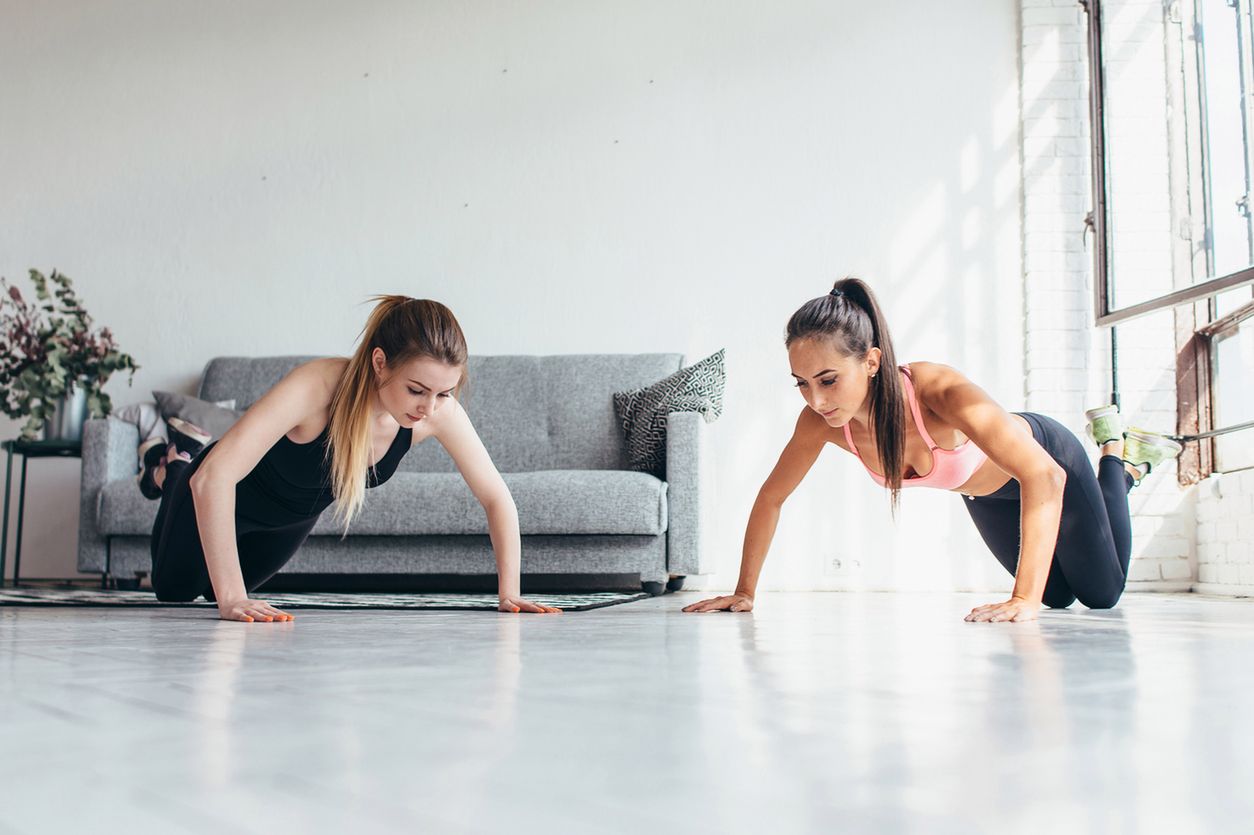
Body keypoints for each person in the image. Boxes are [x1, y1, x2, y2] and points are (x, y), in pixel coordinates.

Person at [683, 278, 1181, 622]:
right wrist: (745, 591)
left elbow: (1043, 477)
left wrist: (1020, 599)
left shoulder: (938, 391)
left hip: (1048, 463)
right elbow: (772, 497)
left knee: (1100, 595)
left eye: (829, 380)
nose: (817, 399)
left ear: (872, 361)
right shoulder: (820, 423)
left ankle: (1118, 457)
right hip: (986, 494)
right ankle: (1119, 469)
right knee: (1056, 595)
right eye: (802, 383)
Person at [145, 296, 561, 621]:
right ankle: (173, 465)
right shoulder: (317, 387)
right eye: (416, 390)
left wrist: (510, 593)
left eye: (444, 393)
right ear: (380, 363)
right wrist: (233, 598)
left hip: (288, 522)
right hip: (212, 489)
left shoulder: (436, 413)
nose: (429, 409)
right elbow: (214, 480)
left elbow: (495, 497)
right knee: (176, 591)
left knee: (222, 594)